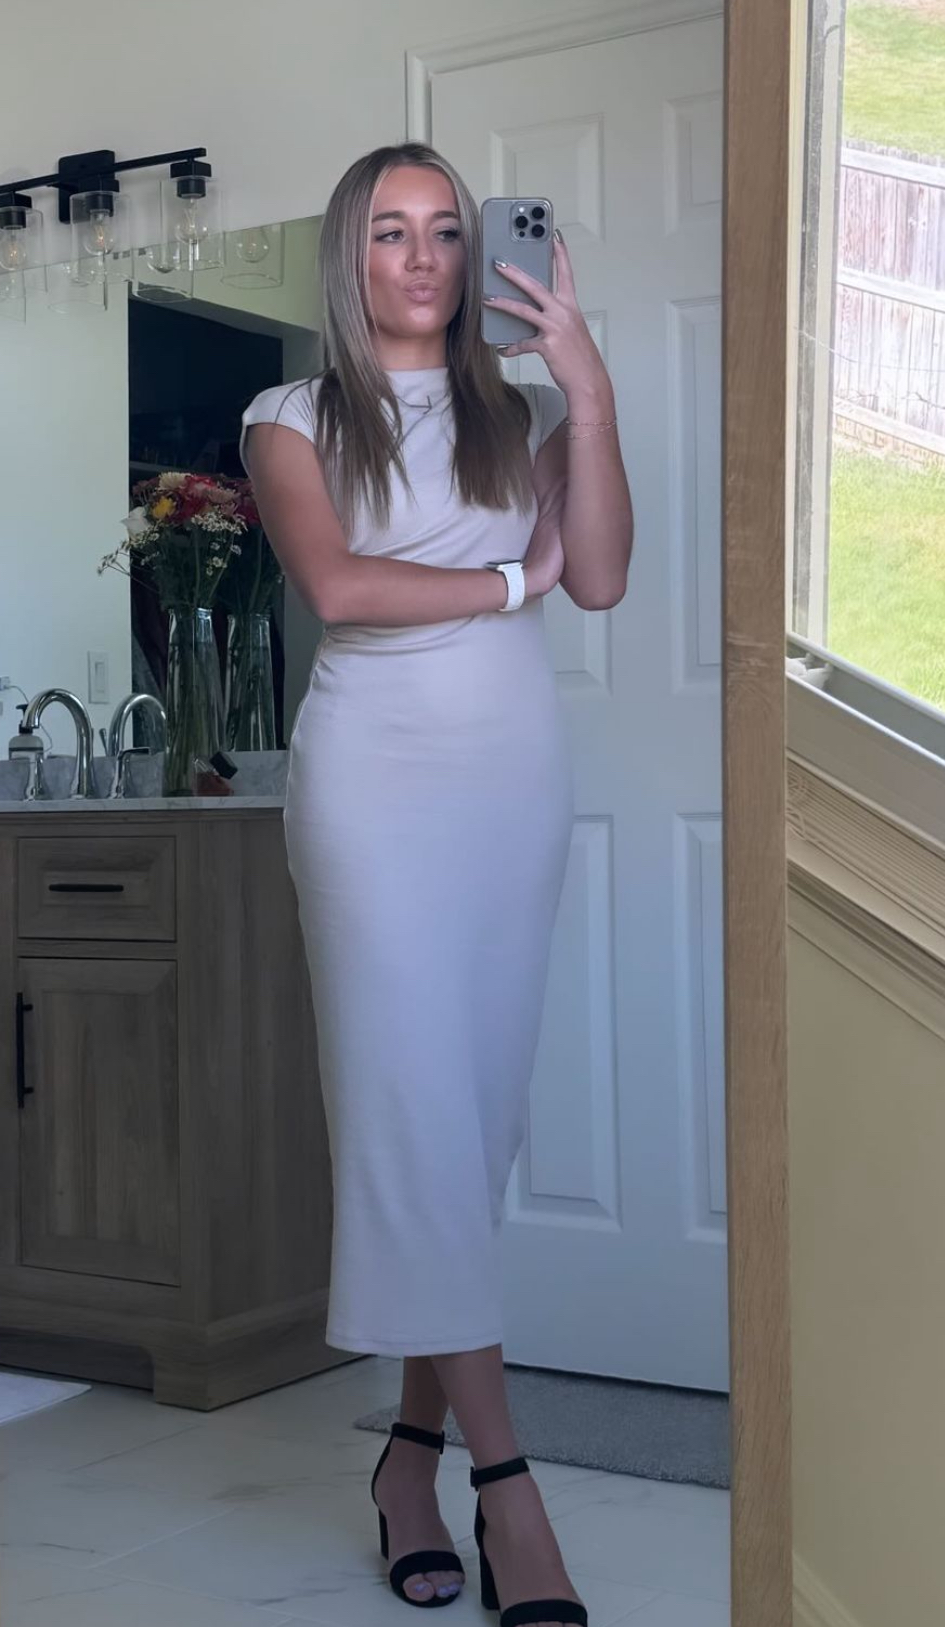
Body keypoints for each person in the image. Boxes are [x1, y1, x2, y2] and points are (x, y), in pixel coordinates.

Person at [240, 140, 632, 1627]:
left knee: (468, 1123)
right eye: (390, 232)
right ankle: (507, 1487)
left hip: (508, 786)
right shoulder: (290, 416)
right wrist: (511, 582)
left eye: (447, 232)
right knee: (412, 1113)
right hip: (372, 786)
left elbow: (602, 574)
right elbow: (343, 587)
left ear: (477, 257)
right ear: (351, 255)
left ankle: (407, 1458)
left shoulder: (515, 413)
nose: (420, 258)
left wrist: (587, 392)